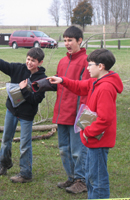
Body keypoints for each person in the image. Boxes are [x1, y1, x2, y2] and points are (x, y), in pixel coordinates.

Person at [47, 48, 123, 199]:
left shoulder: (106, 87)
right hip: (92, 140)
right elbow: (80, 86)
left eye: (90, 65)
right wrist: (63, 80)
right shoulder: (96, 81)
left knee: (98, 179)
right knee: (90, 176)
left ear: (100, 66)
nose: (87, 68)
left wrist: (87, 132)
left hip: (98, 140)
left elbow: (105, 119)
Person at [0, 47, 55, 183]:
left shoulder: (42, 80)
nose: (29, 63)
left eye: (33, 61)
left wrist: (23, 90)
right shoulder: (18, 69)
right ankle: (4, 164)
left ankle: (26, 173)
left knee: (25, 144)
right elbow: (2, 64)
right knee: (6, 140)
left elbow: (35, 100)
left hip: (27, 115)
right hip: (12, 111)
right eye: (28, 59)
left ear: (40, 62)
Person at [32, 26, 90, 193]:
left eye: (70, 40)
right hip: (62, 111)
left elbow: (87, 88)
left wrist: (86, 118)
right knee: (65, 149)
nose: (67, 44)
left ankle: (82, 180)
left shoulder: (86, 61)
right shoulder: (63, 61)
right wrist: (40, 85)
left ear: (80, 40)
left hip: (80, 113)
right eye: (64, 40)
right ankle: (71, 178)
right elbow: (60, 84)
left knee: (79, 150)